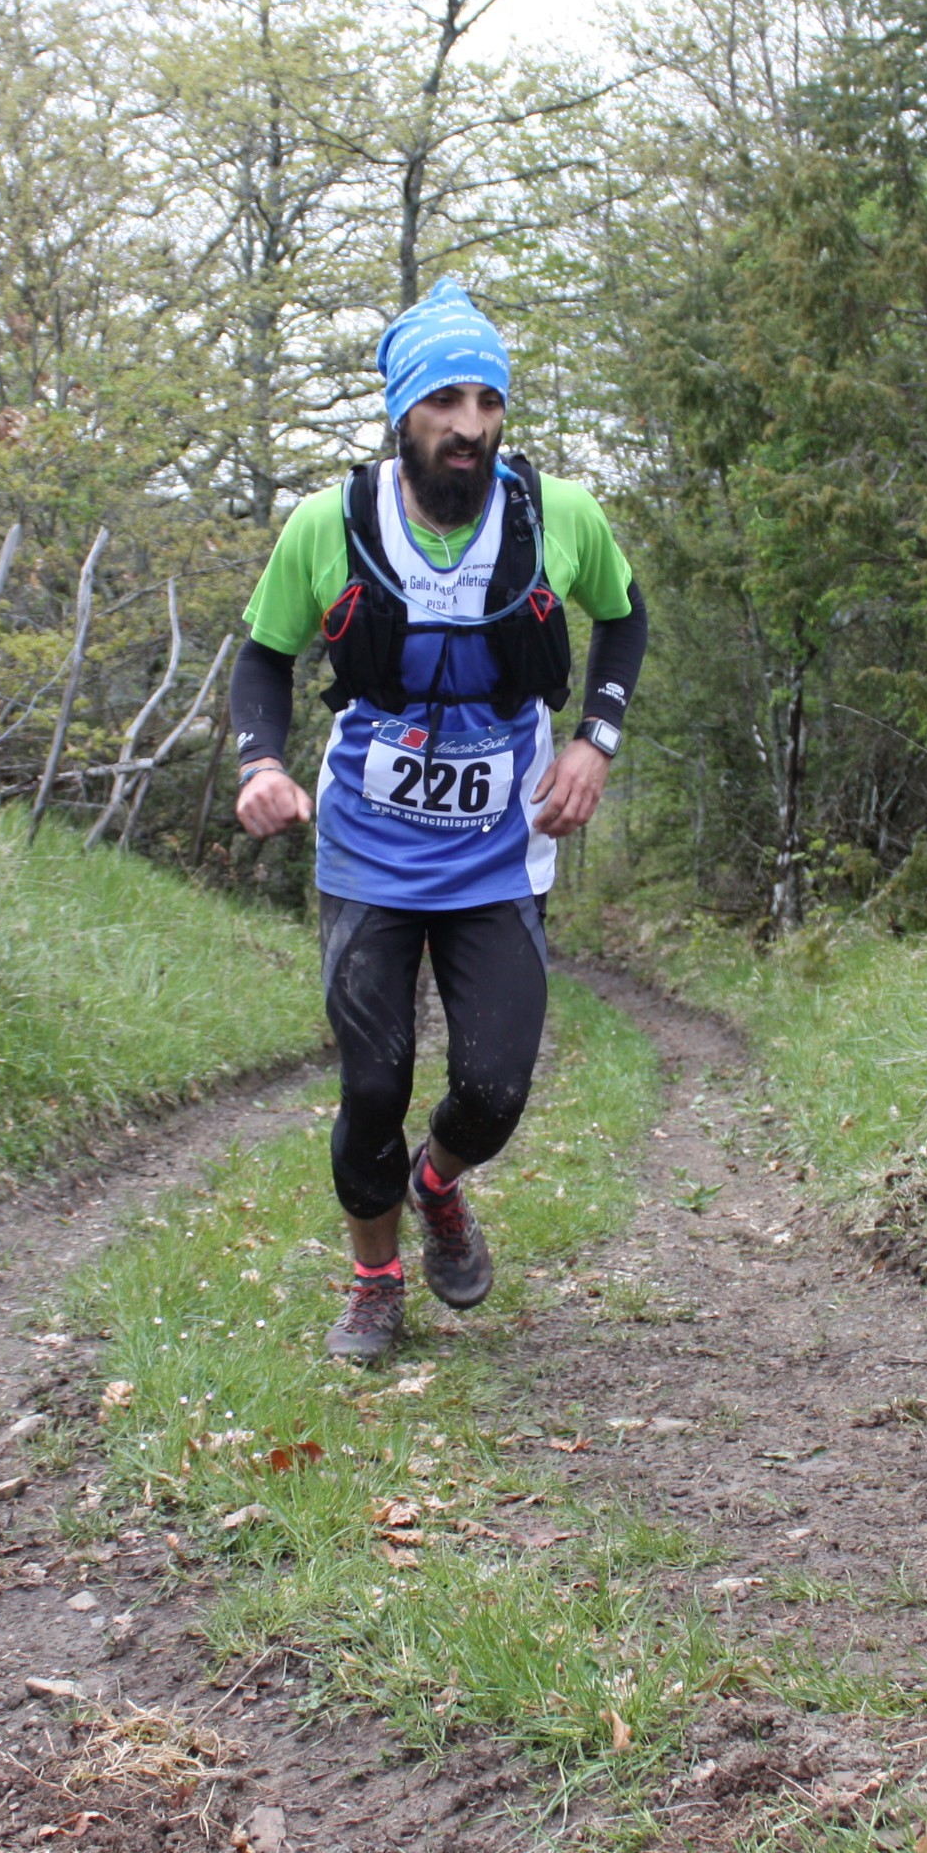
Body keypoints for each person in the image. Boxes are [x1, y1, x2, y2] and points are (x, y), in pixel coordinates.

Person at [228, 278, 648, 1365]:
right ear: (403, 413)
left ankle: (437, 1186)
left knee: (495, 1091)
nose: (469, 425)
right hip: (369, 844)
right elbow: (265, 654)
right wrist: (260, 761)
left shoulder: (559, 517)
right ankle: (374, 1280)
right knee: (371, 1082)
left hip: (502, 845)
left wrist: (593, 739)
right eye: (444, 402)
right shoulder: (330, 524)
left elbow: (626, 615)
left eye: (487, 401)